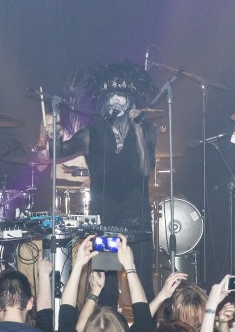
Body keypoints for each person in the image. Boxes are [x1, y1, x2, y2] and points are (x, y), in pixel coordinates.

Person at [50, 61, 157, 299]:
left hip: (137, 218)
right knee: (106, 286)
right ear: (104, 102)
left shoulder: (147, 130)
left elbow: (145, 169)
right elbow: (58, 152)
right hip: (105, 218)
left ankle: (147, 321)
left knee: (143, 282)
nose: (116, 102)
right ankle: (106, 322)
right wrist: (53, 138)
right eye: (112, 98)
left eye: (121, 97)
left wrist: (137, 130)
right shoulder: (91, 134)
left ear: (131, 101)